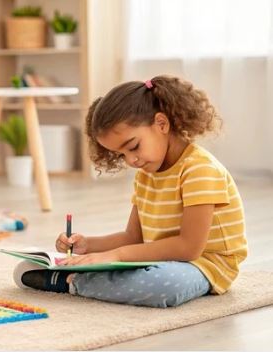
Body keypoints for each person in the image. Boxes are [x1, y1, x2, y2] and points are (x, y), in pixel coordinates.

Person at [14, 75, 247, 308]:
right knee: (25, 268)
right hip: (164, 258)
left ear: (162, 124)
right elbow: (133, 238)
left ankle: (72, 283)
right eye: (121, 155)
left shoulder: (200, 169)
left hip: (205, 265)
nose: (131, 160)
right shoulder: (146, 175)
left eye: (134, 147)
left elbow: (189, 248)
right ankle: (72, 276)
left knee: (162, 284)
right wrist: (87, 245)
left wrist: (116, 255)